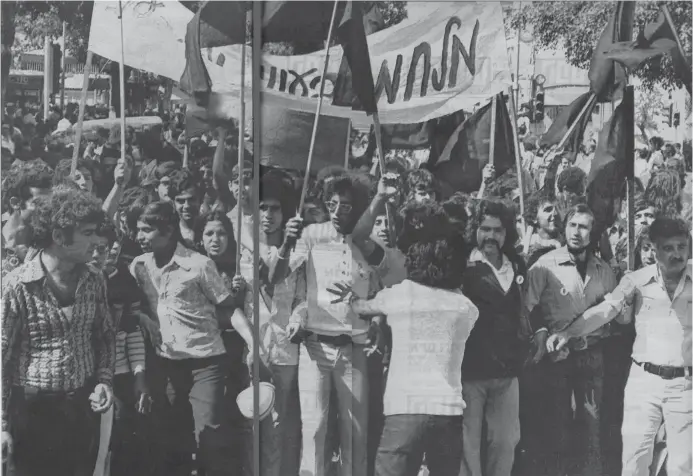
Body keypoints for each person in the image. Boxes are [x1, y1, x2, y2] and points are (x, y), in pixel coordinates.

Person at [328, 201, 479, 476]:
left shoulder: (402, 294)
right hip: (449, 411)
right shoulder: (467, 308)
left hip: (404, 409)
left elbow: (362, 308)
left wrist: (351, 298)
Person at [546, 217, 691, 476]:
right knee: (634, 460)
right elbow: (605, 310)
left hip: (685, 386)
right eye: (668, 248)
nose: (677, 254)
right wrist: (568, 333)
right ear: (654, 250)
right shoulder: (635, 281)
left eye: (682, 246)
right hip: (643, 384)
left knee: (682, 466)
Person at [275, 173, 395, 476]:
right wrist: (286, 243)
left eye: (346, 206)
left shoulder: (369, 243)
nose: (338, 212)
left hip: (353, 350)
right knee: (314, 428)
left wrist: (380, 197)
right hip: (314, 348)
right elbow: (275, 277)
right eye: (333, 205)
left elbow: (386, 287)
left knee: (355, 433)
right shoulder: (312, 234)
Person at [129, 201, 255, 476]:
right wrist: (143, 319)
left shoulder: (199, 264)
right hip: (166, 365)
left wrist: (252, 342)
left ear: (169, 230)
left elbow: (228, 308)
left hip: (206, 364)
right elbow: (130, 309)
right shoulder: (138, 266)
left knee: (208, 434)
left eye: (147, 230)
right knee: (173, 439)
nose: (140, 236)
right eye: (138, 229)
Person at [2, 187, 115, 475]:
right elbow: (2, 354)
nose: (96, 241)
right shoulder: (17, 285)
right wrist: (1, 424)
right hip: (31, 412)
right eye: (87, 233)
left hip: (80, 409)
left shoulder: (95, 280)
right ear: (59, 236)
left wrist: (104, 381)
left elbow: (103, 337)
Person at [522, 204, 617, 476]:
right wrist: (541, 334)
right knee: (557, 426)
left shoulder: (604, 270)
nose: (577, 232)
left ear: (593, 233)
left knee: (591, 424)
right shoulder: (545, 265)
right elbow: (526, 309)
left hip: (591, 356)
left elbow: (611, 311)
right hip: (556, 358)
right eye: (572, 225)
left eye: (584, 227)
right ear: (564, 229)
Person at [460, 200, 529, 476]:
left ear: (506, 233)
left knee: (505, 441)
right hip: (470, 371)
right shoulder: (464, 265)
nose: (490, 235)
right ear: (474, 230)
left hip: (507, 372)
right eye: (484, 228)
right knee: (469, 446)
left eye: (497, 230)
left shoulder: (518, 265)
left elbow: (523, 311)